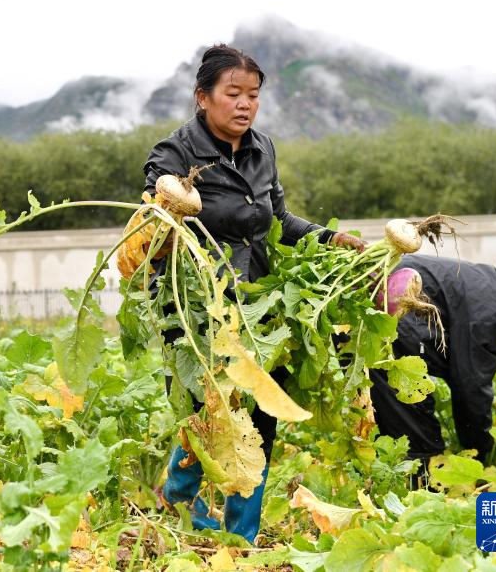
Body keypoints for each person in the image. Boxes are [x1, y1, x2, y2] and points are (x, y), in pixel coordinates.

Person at [138, 44, 365, 542]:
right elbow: (156, 224)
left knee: (262, 410)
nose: (244, 104)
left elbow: (278, 220)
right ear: (203, 97)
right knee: (209, 405)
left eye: (253, 95)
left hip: (260, 297)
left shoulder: (263, 148)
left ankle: (243, 533)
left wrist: (329, 237)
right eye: (233, 93)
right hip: (198, 299)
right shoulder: (172, 155)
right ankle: (178, 499)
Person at [370, 254, 496, 482]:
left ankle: (387, 479)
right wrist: (481, 451)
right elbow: (470, 388)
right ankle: (414, 497)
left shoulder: (493, 286)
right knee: (421, 447)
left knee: (396, 421)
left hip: (377, 309)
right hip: (392, 324)